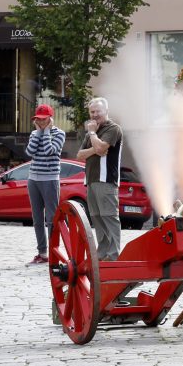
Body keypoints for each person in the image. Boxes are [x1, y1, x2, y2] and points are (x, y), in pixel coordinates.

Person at [77, 97, 123, 261]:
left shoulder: (113, 128)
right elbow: (80, 155)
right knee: (96, 217)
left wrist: (92, 135)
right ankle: (102, 254)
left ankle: (114, 255)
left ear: (106, 112)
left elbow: (101, 148)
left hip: (106, 181)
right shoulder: (93, 131)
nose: (95, 115)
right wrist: (95, 147)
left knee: (109, 217)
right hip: (90, 180)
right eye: (92, 112)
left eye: (98, 111)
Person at [25, 104, 66, 265]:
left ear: (50, 118)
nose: (41, 122)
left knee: (51, 218)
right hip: (33, 179)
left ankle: (54, 252)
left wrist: (46, 132)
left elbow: (50, 150)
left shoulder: (59, 134)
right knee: (37, 219)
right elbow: (29, 152)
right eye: (38, 120)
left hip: (50, 179)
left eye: (43, 119)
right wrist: (39, 133)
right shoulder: (34, 134)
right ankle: (42, 253)